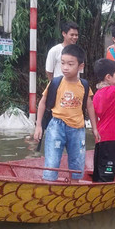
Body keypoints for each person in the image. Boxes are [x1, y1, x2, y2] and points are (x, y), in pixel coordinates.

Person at [33, 44, 99, 182]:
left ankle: (73, 189)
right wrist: (38, 125)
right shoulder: (55, 83)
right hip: (56, 126)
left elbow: (89, 106)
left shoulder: (84, 85)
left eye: (70, 64)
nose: (65, 67)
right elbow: (42, 102)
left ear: (81, 66)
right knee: (51, 161)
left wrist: (94, 128)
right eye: (62, 63)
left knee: (77, 163)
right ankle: (49, 188)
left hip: (78, 129)